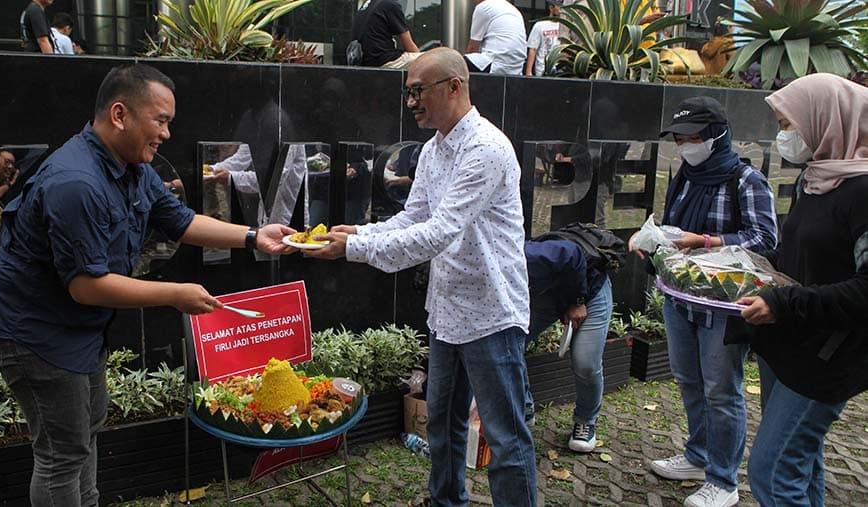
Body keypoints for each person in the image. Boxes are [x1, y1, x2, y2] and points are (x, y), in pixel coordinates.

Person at [0, 64, 295, 506]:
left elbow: (180, 221)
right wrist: (176, 295)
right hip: (31, 332)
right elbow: (87, 286)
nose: (166, 133)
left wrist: (253, 236)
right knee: (62, 454)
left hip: (77, 327)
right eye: (160, 120)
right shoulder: (76, 182)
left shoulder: (130, 166)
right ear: (120, 114)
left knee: (86, 430)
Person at [306, 47, 537, 506]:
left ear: (454, 87)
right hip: (447, 310)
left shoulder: (486, 149)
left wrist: (353, 248)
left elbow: (439, 232)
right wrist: (360, 231)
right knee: (442, 424)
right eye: (408, 93)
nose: (411, 102)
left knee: (505, 437)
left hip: (491, 313)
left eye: (418, 91)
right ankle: (446, 500)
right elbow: (414, 217)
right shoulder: (433, 150)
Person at [630, 96, 778, 507]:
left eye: (693, 137)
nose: (685, 146)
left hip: (722, 308)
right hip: (681, 298)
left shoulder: (745, 180)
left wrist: (708, 242)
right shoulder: (686, 176)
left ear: (716, 135)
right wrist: (652, 241)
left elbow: (766, 239)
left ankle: (724, 481)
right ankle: (698, 456)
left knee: (721, 391)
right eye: (679, 139)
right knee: (689, 380)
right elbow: (676, 229)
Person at [737, 73, 868, 507]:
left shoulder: (862, 191)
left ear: (827, 119)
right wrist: (737, 266)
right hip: (789, 341)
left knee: (772, 471)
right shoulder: (815, 178)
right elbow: (797, 257)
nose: (784, 137)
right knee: (800, 461)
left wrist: (781, 302)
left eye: (788, 124)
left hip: (829, 353)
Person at [524, 237, 612, 452]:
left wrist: (577, 301)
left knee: (585, 363)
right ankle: (524, 409)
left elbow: (573, 254)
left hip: (589, 290)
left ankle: (586, 420)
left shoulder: (531, 255)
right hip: (547, 297)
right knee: (508, 347)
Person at [351, 0, 421, 68]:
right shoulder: (390, 5)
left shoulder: (365, 7)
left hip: (364, 62)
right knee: (426, 59)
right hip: (384, 61)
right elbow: (410, 47)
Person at [465, 0, 527, 75]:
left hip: (495, 63)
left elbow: (473, 48)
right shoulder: (513, 9)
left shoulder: (483, 7)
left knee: (456, 63)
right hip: (517, 67)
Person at [525, 0, 561, 76]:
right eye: (559, 7)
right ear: (551, 8)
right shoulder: (540, 25)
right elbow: (533, 49)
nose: (561, 10)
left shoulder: (565, 27)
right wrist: (528, 72)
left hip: (560, 69)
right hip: (542, 69)